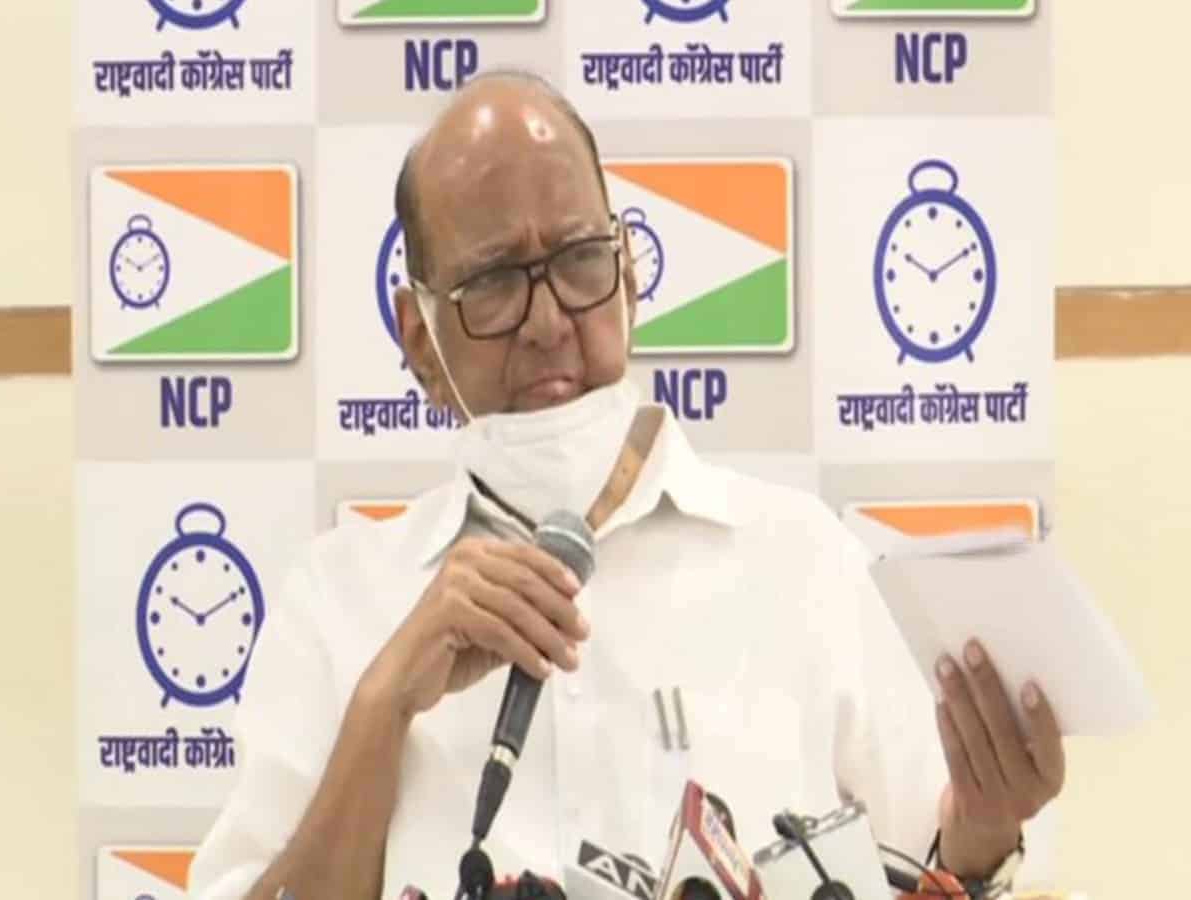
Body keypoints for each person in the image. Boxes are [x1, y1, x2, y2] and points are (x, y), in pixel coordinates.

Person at [190, 72, 1064, 899]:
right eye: (493, 283)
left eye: (578, 260)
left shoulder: (806, 564)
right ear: (418, 338)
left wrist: (983, 832)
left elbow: (944, 861)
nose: (546, 322)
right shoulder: (338, 603)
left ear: (631, 273)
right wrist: (382, 709)